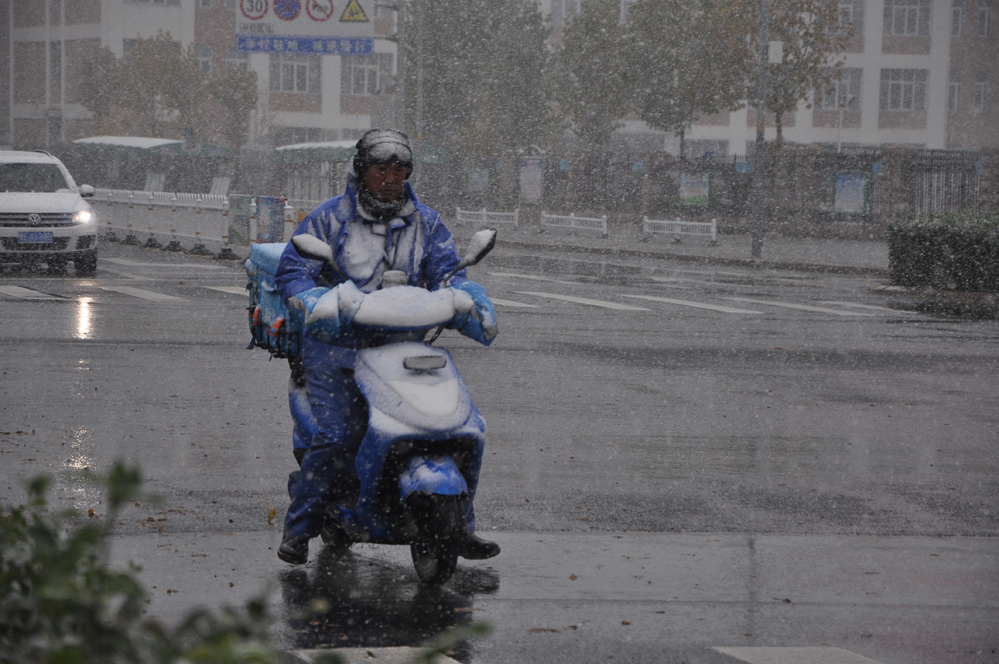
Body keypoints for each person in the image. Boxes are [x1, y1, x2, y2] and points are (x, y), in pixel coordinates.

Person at [273, 128, 500, 565]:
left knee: (460, 426)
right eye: (382, 167)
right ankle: (299, 527)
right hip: (337, 349)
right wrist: (317, 301)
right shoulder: (328, 219)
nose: (392, 177)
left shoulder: (427, 223)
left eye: (401, 168)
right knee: (338, 435)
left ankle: (461, 524)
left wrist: (473, 303)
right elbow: (293, 273)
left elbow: (449, 274)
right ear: (362, 170)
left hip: (403, 349)